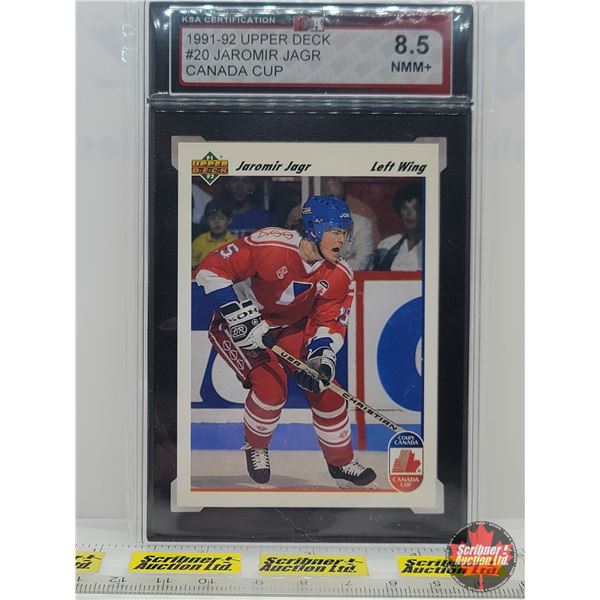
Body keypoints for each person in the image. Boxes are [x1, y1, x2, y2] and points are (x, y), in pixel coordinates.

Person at [194, 196, 376, 487]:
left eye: (345, 232)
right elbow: (210, 269)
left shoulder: (340, 274)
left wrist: (321, 356)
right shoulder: (270, 244)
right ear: (314, 230)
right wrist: (238, 315)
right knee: (271, 389)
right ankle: (256, 446)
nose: (342, 240)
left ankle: (341, 463)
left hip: (287, 328)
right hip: (238, 324)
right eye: (335, 231)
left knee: (327, 389)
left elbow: (327, 321)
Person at [374, 183, 423, 271]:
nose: (409, 213)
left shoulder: (432, 246)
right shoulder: (388, 244)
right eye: (405, 208)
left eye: (415, 208)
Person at [191, 199, 237, 269]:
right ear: (207, 220)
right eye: (212, 219)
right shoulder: (199, 241)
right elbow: (192, 264)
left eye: (221, 218)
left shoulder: (235, 241)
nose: (216, 222)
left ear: (229, 220)